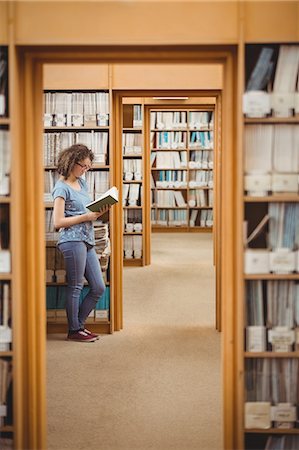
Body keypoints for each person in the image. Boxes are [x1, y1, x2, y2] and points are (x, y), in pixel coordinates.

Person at [52, 143, 108, 342]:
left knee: (98, 287)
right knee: (75, 286)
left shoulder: (82, 183)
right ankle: (74, 330)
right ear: (71, 163)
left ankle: (79, 326)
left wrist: (97, 211)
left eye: (88, 167)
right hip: (72, 240)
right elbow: (58, 222)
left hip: (87, 239)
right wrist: (86, 217)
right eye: (83, 166)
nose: (86, 170)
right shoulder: (61, 188)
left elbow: (85, 211)